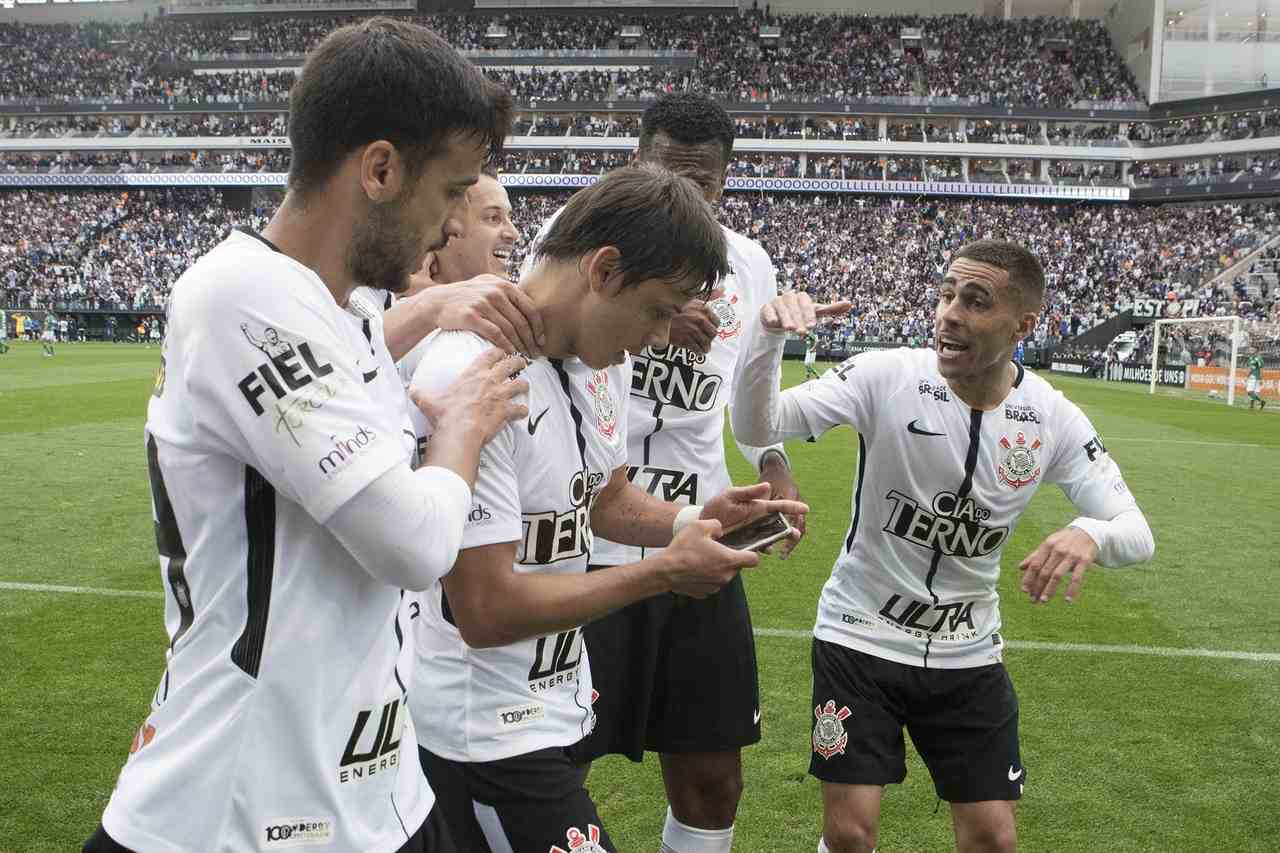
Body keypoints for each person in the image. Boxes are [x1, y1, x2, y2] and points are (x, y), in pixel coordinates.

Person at [84, 18, 540, 853]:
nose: (449, 229)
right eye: (450, 192)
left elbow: (365, 351)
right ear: (379, 169)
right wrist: (464, 432)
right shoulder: (241, 296)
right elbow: (413, 542)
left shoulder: (344, 308)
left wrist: (431, 310)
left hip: (368, 792)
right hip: (242, 808)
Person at [407, 165, 808, 853]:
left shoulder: (601, 363)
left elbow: (604, 497)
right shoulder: (471, 373)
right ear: (605, 269)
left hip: (556, 713)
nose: (657, 337)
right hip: (480, 737)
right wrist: (661, 574)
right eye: (656, 310)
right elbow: (486, 609)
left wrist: (693, 521)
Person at [731, 240, 1155, 853]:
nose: (949, 312)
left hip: (968, 653)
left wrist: (1091, 531)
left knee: (993, 838)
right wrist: (767, 338)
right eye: (946, 294)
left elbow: (1136, 532)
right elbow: (757, 426)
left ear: (1024, 325)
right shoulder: (888, 375)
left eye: (974, 301)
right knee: (850, 834)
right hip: (860, 635)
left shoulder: (1052, 418)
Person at [554, 93, 806, 853]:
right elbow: (546, 362)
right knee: (557, 764)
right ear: (639, 163)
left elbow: (750, 410)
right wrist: (653, 335)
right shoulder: (574, 240)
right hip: (586, 539)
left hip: (700, 539)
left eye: (706, 185)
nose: (689, 199)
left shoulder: (749, 266)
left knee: (711, 775)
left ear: (725, 185)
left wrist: (775, 465)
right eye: (673, 176)